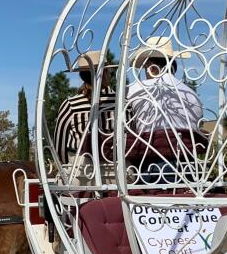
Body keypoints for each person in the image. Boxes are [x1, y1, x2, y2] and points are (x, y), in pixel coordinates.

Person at [124, 37, 204, 184]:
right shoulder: (191, 94)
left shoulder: (133, 91)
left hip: (149, 166)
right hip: (189, 167)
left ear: (151, 67)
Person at [54, 50, 115, 166]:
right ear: (105, 72)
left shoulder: (70, 104)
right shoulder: (121, 103)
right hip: (118, 169)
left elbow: (59, 146)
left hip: (82, 171)